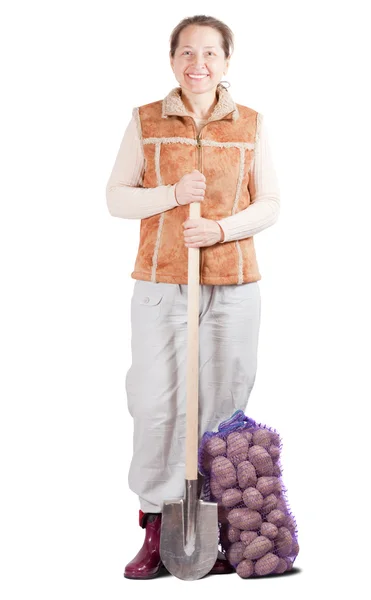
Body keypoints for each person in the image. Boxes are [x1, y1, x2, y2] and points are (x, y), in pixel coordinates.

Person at [106, 14, 280, 579]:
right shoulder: (146, 121)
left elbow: (270, 203)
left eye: (209, 53)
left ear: (227, 61)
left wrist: (221, 230)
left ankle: (223, 523)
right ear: (172, 59)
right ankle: (158, 524)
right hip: (161, 282)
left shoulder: (250, 125)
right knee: (157, 405)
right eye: (186, 53)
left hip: (233, 283)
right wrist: (172, 194)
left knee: (224, 404)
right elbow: (116, 198)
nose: (197, 64)